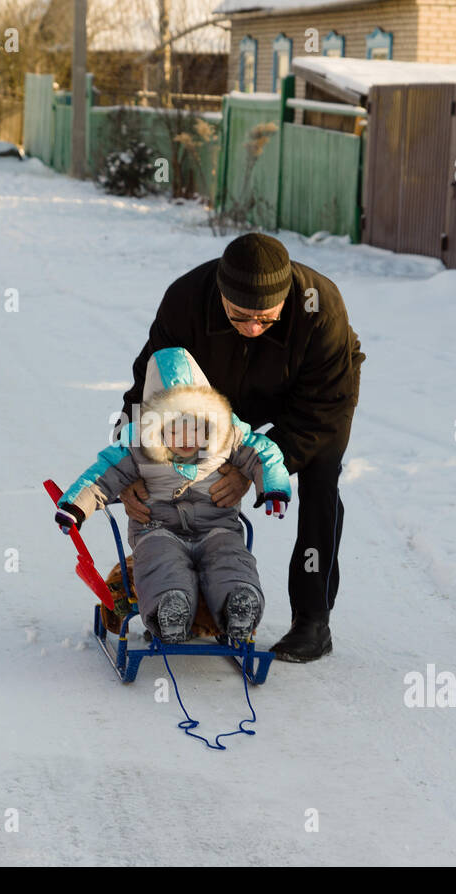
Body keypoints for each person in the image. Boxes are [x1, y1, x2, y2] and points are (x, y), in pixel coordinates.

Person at [118, 234, 363, 663]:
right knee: (177, 471)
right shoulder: (186, 300)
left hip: (310, 396)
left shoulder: (320, 306)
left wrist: (254, 468)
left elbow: (321, 413)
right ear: (220, 294)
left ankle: (312, 619)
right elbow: (149, 389)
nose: (252, 327)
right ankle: (180, 581)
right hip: (216, 391)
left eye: (266, 319)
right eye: (240, 315)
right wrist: (132, 468)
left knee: (321, 480)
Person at [56, 347, 291, 644]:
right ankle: (170, 610)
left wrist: (273, 487)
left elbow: (264, 454)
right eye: (174, 431)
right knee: (160, 562)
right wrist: (74, 508)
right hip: (157, 529)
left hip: (217, 528)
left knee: (231, 558)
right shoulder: (137, 446)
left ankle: (239, 605)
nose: (186, 440)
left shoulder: (228, 436)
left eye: (195, 429)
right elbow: (102, 476)